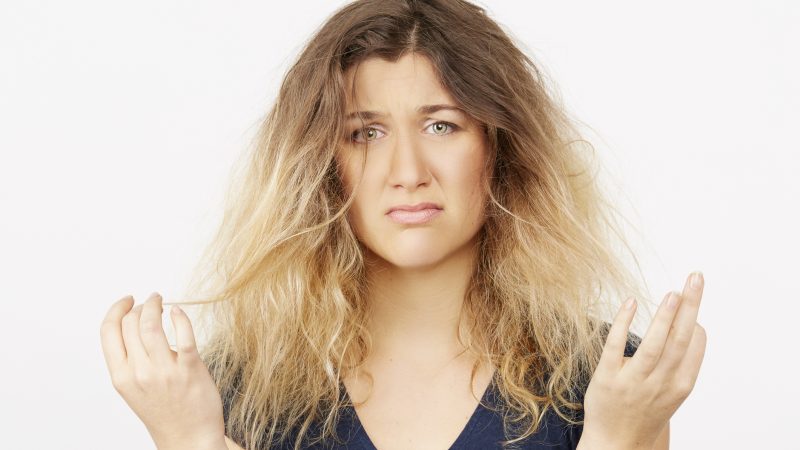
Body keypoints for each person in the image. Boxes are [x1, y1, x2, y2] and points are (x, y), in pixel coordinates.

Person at [100, 1, 707, 449]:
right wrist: (191, 441)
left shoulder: (608, 382)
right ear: (321, 165)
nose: (408, 172)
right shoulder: (232, 388)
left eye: (441, 125)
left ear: (500, 149)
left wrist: (618, 439)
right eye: (366, 133)